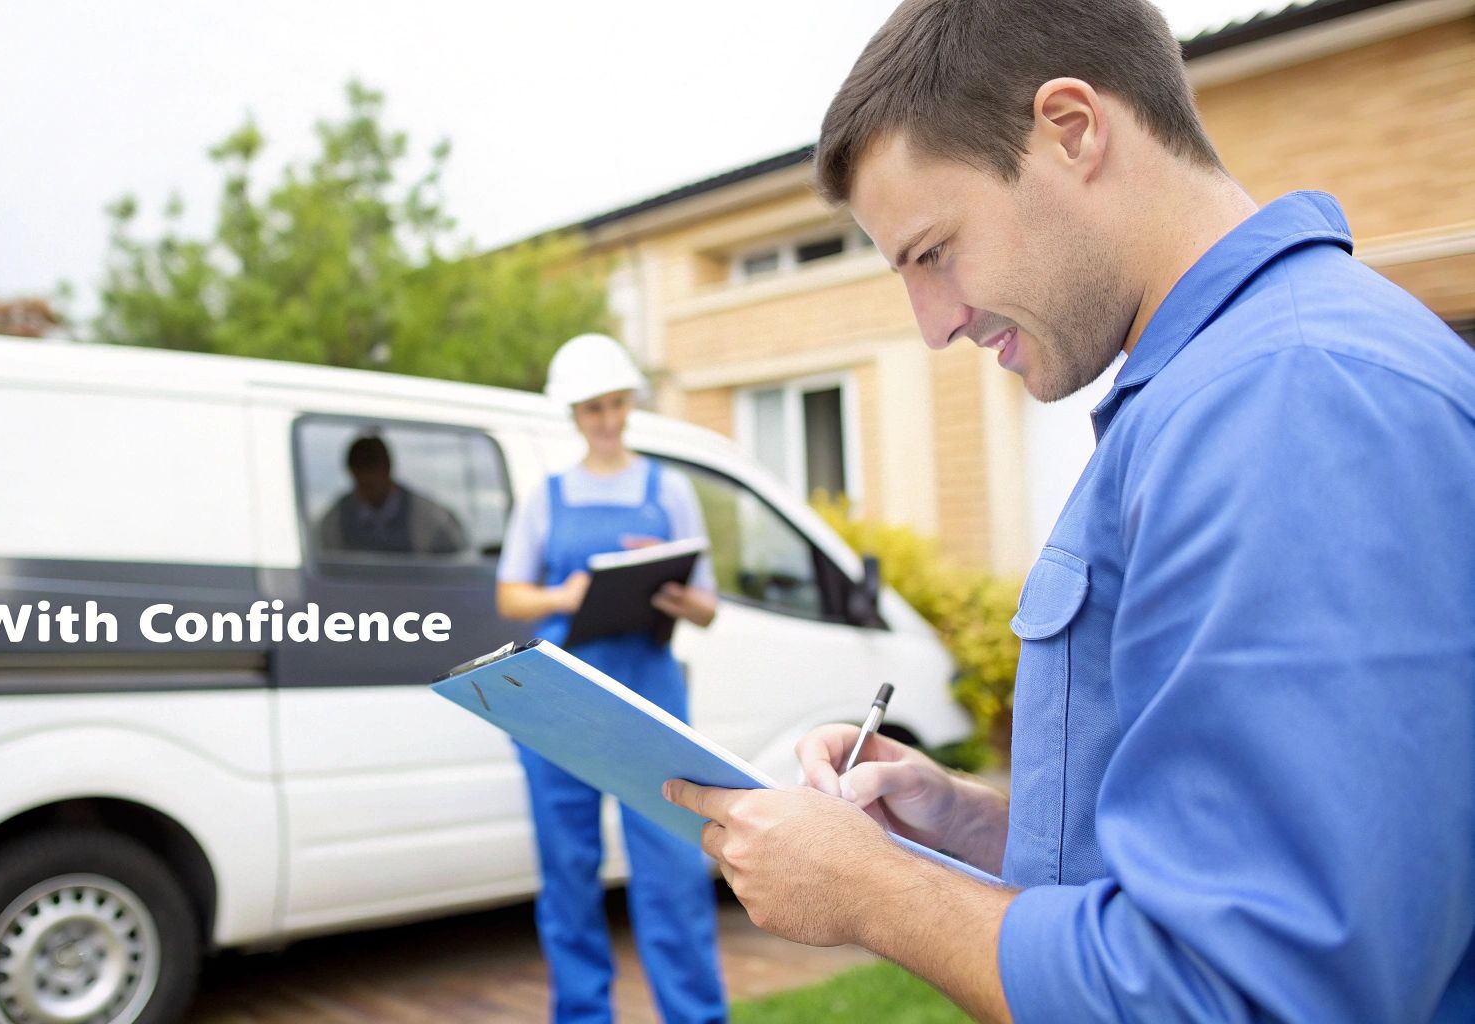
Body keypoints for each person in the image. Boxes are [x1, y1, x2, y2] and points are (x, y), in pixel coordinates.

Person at [662, 1, 1475, 1022]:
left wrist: (873, 891)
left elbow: (1250, 992)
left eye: (933, 251)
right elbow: (1217, 858)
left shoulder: (1290, 401)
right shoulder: (1213, 390)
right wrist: (974, 826)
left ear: (1072, 130)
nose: (933, 325)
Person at [496, 332, 727, 1024]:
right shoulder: (545, 498)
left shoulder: (670, 490)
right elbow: (510, 596)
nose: (607, 419)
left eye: (617, 404)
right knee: (567, 875)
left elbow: (708, 607)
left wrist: (677, 595)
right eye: (593, 408)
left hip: (649, 700)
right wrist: (564, 595)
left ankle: (696, 1015)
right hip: (560, 703)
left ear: (630, 404)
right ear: (573, 414)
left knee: (674, 872)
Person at [317, 434, 466, 556]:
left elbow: (455, 567)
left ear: (387, 469)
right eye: (362, 484)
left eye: (372, 483)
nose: (367, 491)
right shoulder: (333, 523)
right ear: (352, 474)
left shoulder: (430, 519)